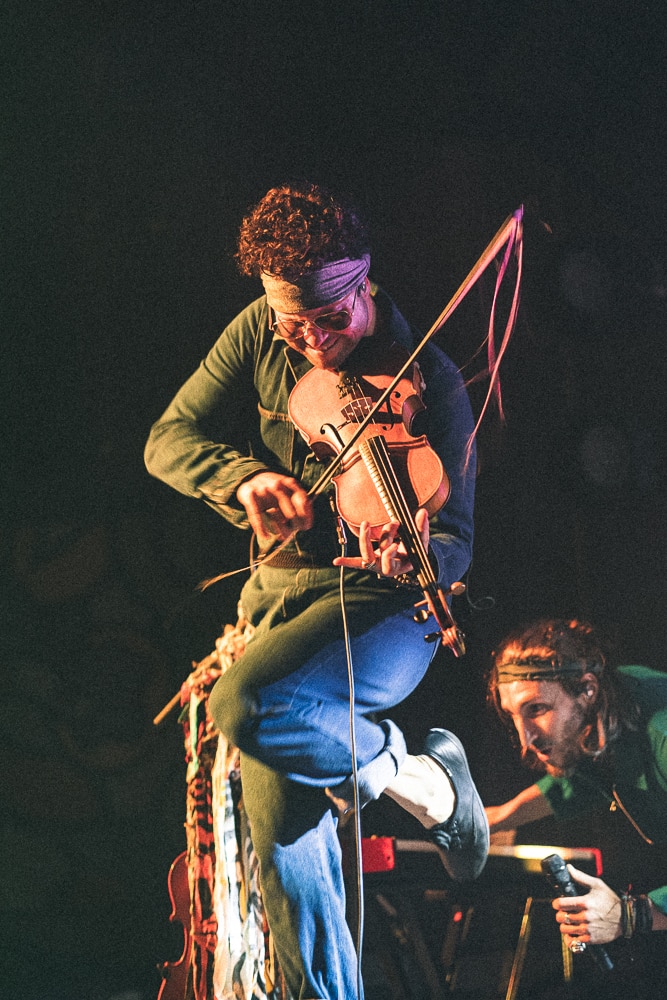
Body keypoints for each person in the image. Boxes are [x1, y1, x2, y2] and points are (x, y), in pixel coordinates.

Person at [145, 182, 489, 1000]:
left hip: (382, 612)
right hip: (275, 602)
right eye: (289, 324)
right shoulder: (262, 336)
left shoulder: (429, 379)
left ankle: (420, 778)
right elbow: (168, 439)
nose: (310, 342)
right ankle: (418, 787)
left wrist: (414, 556)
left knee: (251, 707)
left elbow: (456, 541)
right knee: (285, 862)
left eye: (329, 319)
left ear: (363, 281)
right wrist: (244, 480)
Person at [486, 618, 667, 966]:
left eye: (536, 709)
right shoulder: (613, 700)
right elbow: (586, 773)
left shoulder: (660, 729)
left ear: (587, 689)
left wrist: (632, 915)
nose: (525, 739)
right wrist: (499, 818)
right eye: (513, 715)